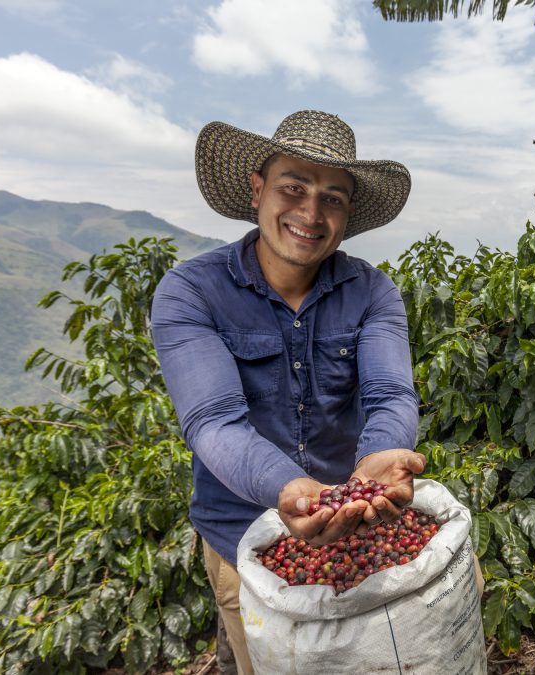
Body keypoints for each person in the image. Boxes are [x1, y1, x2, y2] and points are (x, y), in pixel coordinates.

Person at [151, 110, 425, 675]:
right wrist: (291, 492)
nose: (310, 213)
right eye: (293, 188)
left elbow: (390, 392)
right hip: (243, 536)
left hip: (362, 523)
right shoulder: (190, 292)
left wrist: (377, 459)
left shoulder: (371, 291)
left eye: (332, 198)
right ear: (257, 190)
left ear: (348, 215)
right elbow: (214, 422)